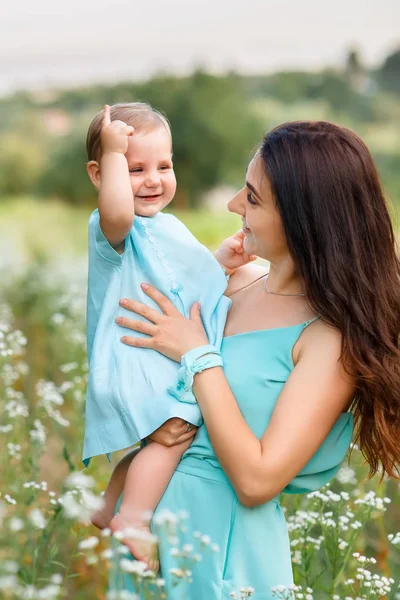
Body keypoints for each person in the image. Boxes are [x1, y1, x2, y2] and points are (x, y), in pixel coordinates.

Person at [109, 121, 400, 599]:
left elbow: (258, 479)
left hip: (225, 548)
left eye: (252, 197)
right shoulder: (227, 283)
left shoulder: (328, 339)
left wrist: (198, 357)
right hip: (148, 535)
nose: (232, 206)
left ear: (305, 218)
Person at [83, 102, 257, 568]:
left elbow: (179, 290)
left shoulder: (164, 227)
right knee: (173, 436)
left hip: (154, 360)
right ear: (100, 175)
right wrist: (115, 153)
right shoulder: (113, 227)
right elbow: (117, 212)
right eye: (134, 168)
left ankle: (107, 507)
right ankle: (132, 520)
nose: (154, 179)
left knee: (153, 441)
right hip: (133, 361)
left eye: (164, 165)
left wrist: (218, 263)